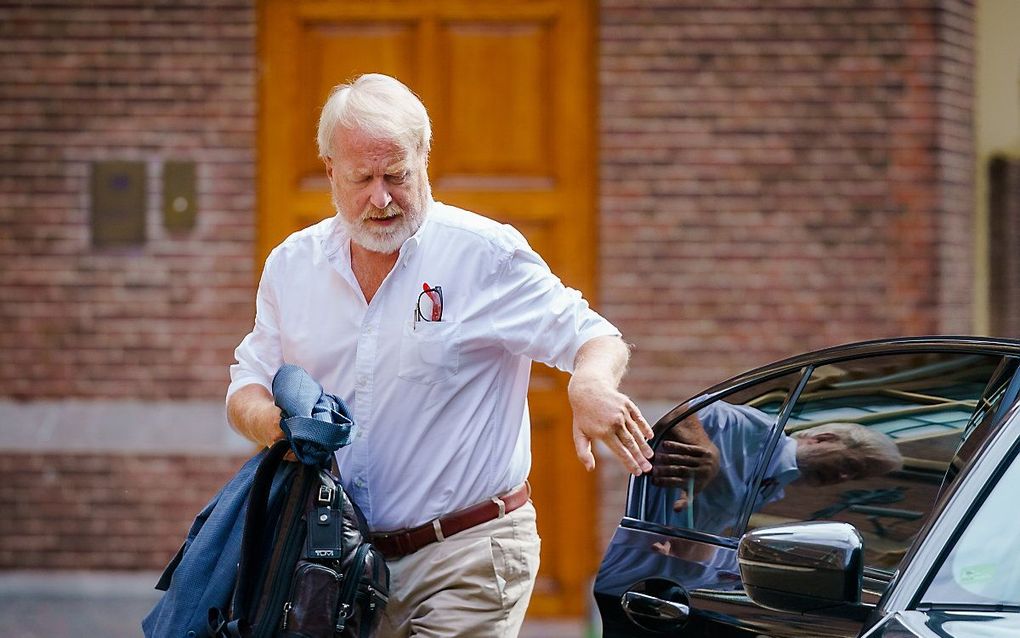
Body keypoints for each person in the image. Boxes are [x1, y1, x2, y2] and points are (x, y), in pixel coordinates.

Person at [225, 73, 653, 637]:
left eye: (397, 175)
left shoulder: (485, 254)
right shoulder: (291, 266)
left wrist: (590, 384)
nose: (381, 198)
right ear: (330, 169)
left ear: (425, 156)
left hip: (467, 556)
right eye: (362, 179)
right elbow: (246, 386)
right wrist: (282, 425)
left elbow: (592, 336)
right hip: (336, 566)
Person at [649, 400, 903, 536]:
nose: (843, 476)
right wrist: (705, 448)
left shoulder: (774, 489)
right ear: (824, 437)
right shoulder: (756, 429)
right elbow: (673, 408)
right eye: (849, 464)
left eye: (854, 476)